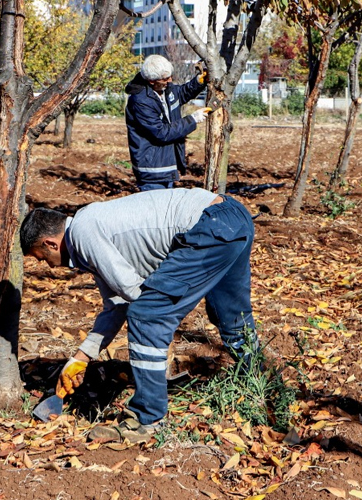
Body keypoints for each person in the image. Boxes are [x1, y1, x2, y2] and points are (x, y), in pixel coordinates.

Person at [20, 188, 257, 443]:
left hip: (210, 226)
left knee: (146, 314)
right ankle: (254, 380)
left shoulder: (83, 233)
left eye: (42, 258)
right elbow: (116, 306)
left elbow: (134, 294)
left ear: (49, 243)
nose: (49, 265)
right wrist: (80, 358)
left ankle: (147, 418)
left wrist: (154, 322)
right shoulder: (90, 229)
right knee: (231, 312)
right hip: (233, 217)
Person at [125, 55, 210, 191]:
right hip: (152, 170)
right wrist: (192, 119)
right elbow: (161, 132)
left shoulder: (165, 88)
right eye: (165, 79)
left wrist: (198, 82)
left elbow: (180, 94)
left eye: (170, 76)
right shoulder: (141, 101)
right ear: (152, 81)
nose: (170, 81)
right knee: (156, 210)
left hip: (165, 166)